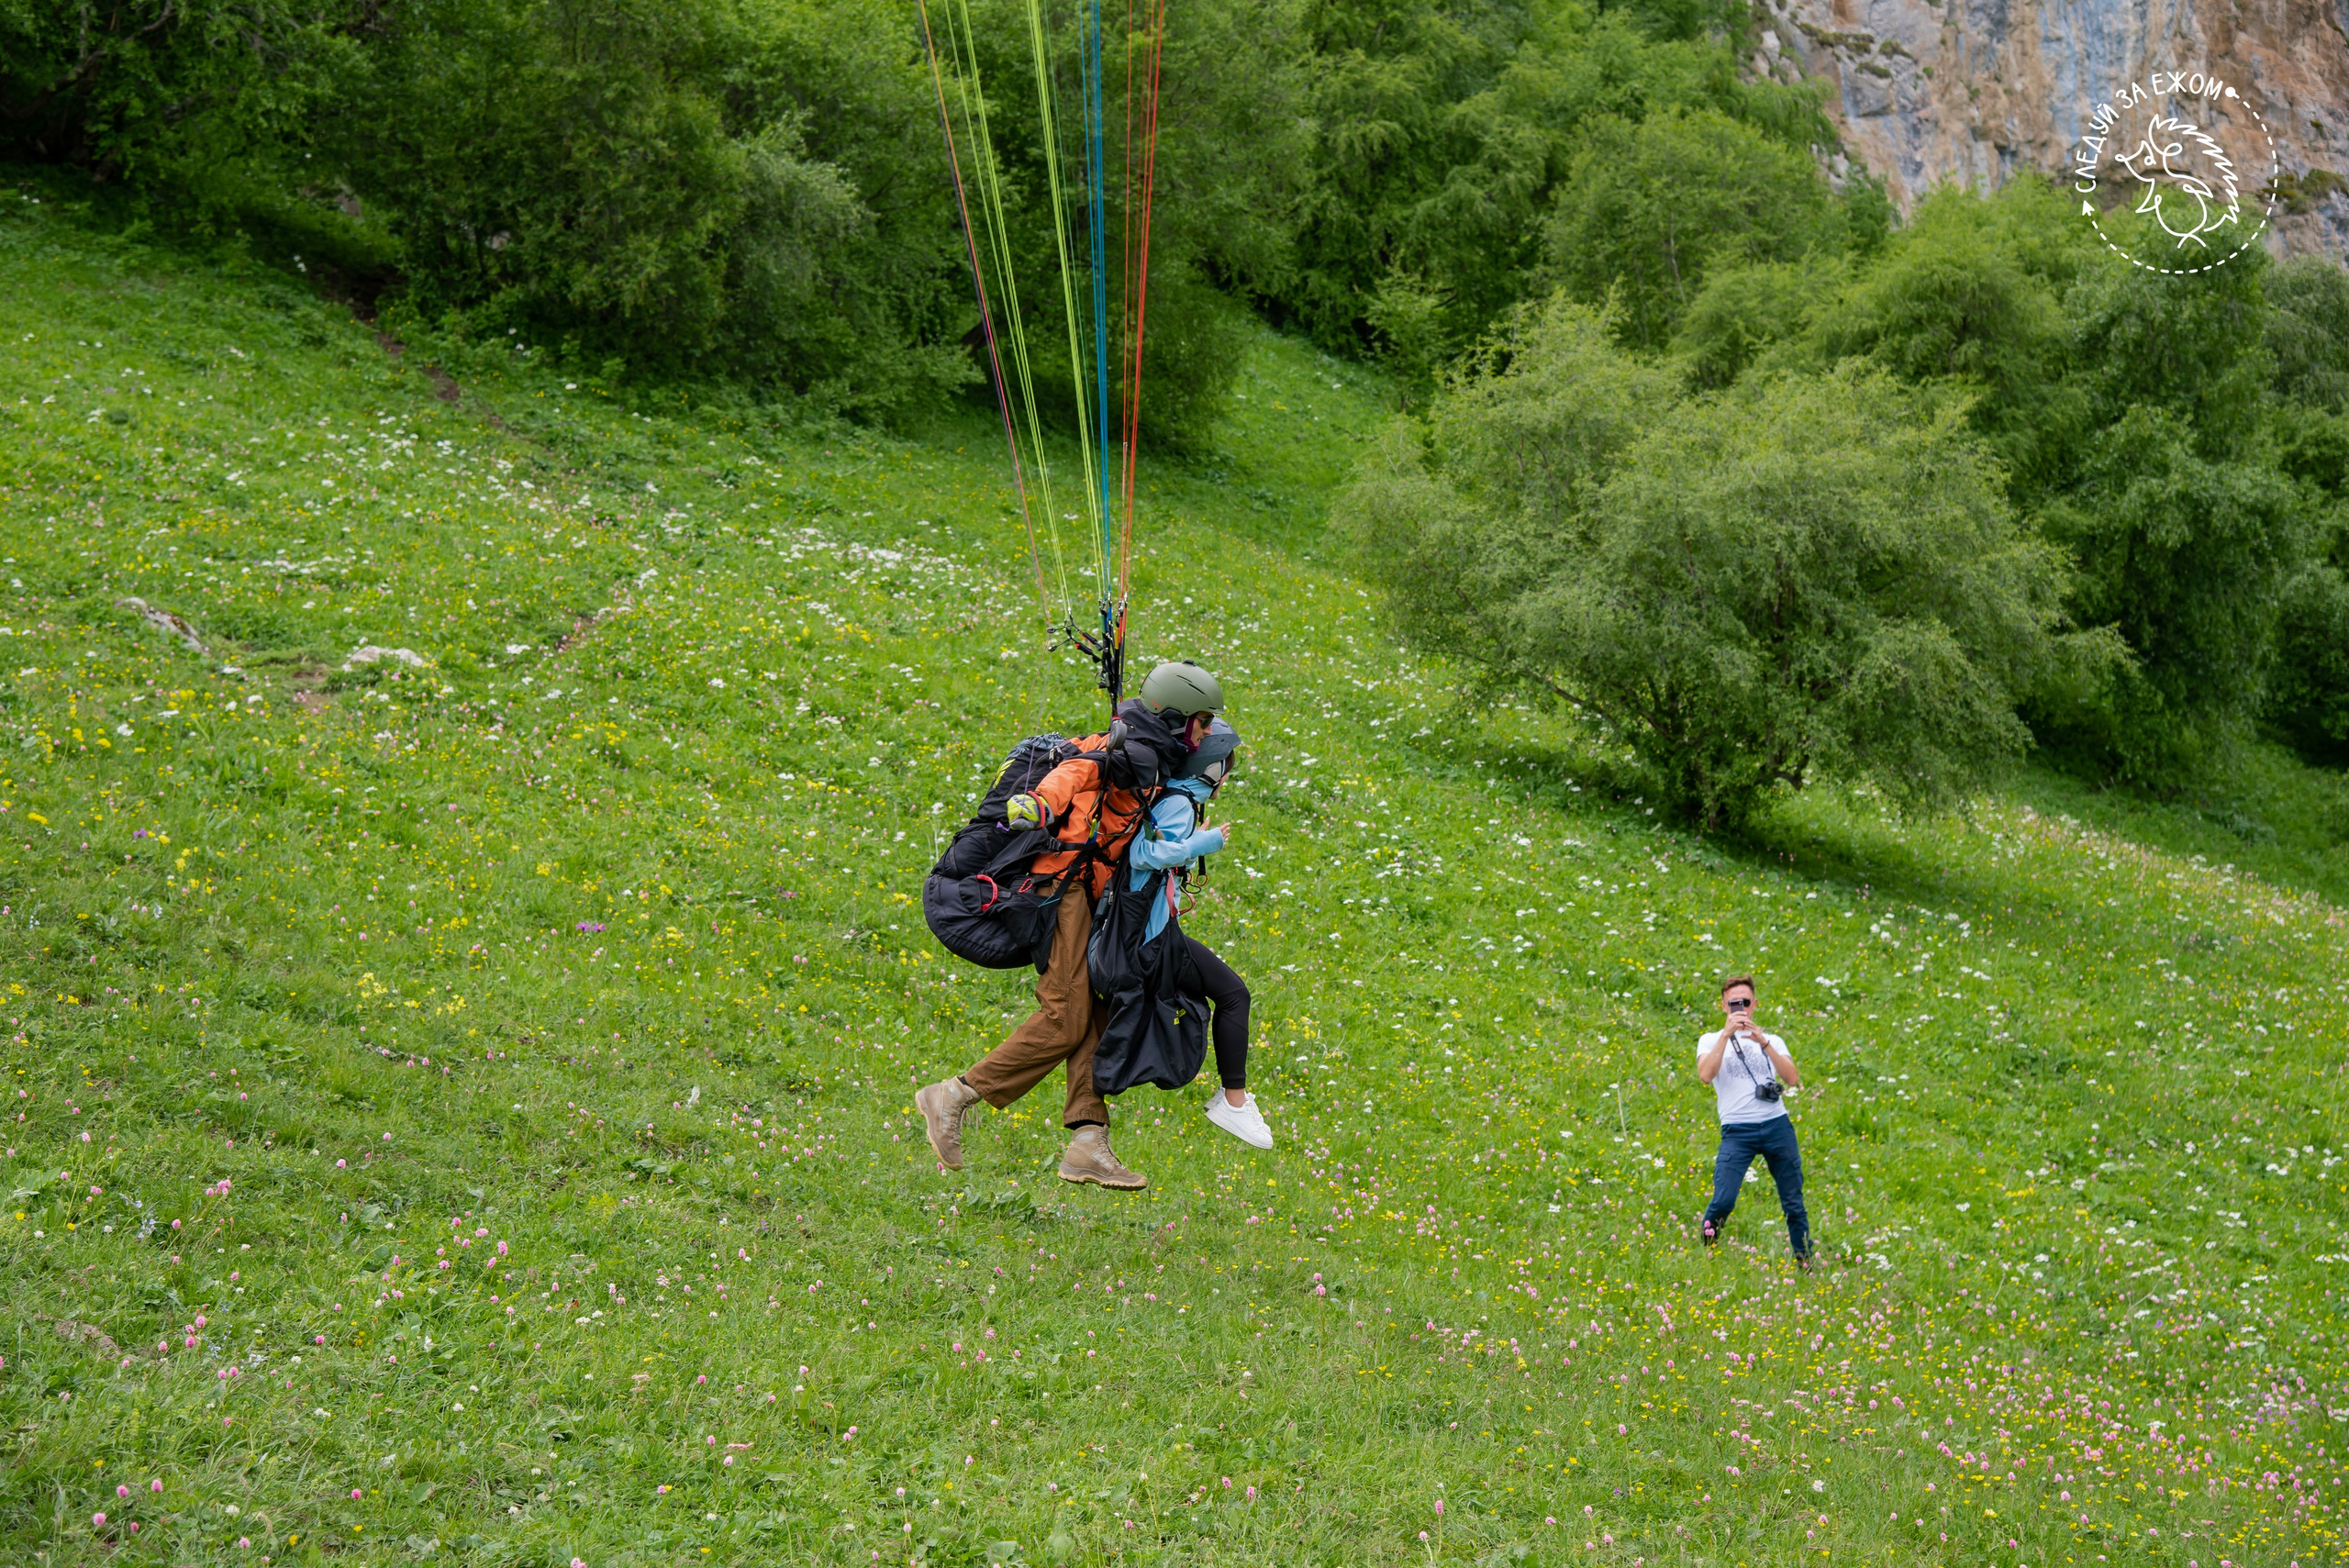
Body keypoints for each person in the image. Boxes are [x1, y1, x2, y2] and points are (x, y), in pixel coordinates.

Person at [912, 661, 1225, 1190]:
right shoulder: (1130, 749)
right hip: (1062, 889)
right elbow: (1079, 772)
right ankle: (955, 1095)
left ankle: (1087, 1141)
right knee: (1065, 1016)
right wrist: (1038, 804)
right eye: (1202, 721)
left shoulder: (1159, 750)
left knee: (1097, 1005)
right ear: (1176, 717)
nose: (1209, 731)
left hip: (1090, 894)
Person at [1125, 718, 1270, 1149]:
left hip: (1151, 933)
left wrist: (1191, 850)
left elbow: (1162, 857)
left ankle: (1234, 1099)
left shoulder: (1178, 800)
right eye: (1225, 767)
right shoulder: (1180, 803)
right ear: (1210, 770)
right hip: (1151, 939)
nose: (1226, 776)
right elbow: (1143, 854)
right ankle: (1234, 1102)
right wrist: (1201, 844)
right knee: (1233, 994)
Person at [1696, 975, 1810, 1264]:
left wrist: (1765, 1042)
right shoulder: (1710, 1040)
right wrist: (1726, 1035)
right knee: (1723, 1199)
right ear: (1723, 1006)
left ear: (1755, 1004)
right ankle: (1705, 1251)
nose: (1741, 1009)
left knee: (1793, 1202)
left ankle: (1805, 1261)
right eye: (1734, 1003)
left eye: (1745, 1002)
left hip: (1776, 1125)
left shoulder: (1773, 1040)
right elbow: (1705, 1075)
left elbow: (1792, 1078)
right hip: (1737, 1130)